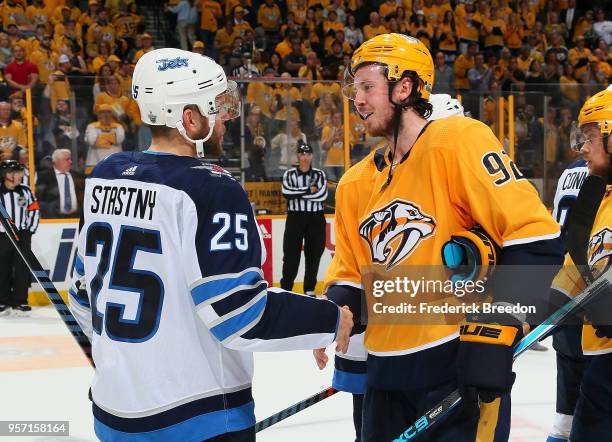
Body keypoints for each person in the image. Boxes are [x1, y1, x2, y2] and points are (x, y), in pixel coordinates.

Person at [67, 48, 353, 442]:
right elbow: (239, 315)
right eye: (215, 107)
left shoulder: (105, 175)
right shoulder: (211, 188)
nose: (225, 118)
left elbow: (82, 296)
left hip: (112, 413)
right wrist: (328, 319)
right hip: (196, 418)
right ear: (189, 119)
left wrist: (127, 367)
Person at [316, 33, 564, 441]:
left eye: (367, 87)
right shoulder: (354, 183)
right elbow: (350, 276)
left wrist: (497, 327)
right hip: (384, 375)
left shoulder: (457, 141)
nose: (356, 100)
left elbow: (534, 237)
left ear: (405, 86)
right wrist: (332, 315)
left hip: (458, 365)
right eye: (353, 89)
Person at [322, 92, 467, 442]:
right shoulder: (362, 182)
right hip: (385, 348)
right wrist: (330, 315)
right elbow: (351, 270)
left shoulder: (462, 175)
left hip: (446, 349)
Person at [547, 85, 612, 442]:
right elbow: (577, 266)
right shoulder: (596, 194)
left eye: (590, 137)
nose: (582, 148)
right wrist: (525, 321)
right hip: (598, 358)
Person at [280, 142, 328, 296]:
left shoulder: (319, 174)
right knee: (290, 254)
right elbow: (286, 192)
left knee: (314, 253)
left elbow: (322, 196)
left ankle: (309, 289)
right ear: (298, 156)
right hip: (295, 217)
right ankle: (286, 288)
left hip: (315, 218)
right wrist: (308, 190)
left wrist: (298, 193)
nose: (305, 157)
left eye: (308, 154)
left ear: (312, 156)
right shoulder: (289, 174)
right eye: (302, 154)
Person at [0, 160, 39, 316]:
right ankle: (2, 301)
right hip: (2, 235)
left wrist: (29, 231)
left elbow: (34, 210)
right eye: (16, 173)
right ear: (7, 175)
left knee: (22, 269)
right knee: (2, 268)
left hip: (22, 235)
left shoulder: (25, 191)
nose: (19, 176)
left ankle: (20, 301)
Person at [37, 149, 85, 218]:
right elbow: (40, 199)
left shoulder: (79, 177)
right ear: (56, 161)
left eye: (70, 159)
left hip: (76, 218)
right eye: (67, 159)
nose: (70, 162)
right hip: (53, 219)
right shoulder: (44, 177)